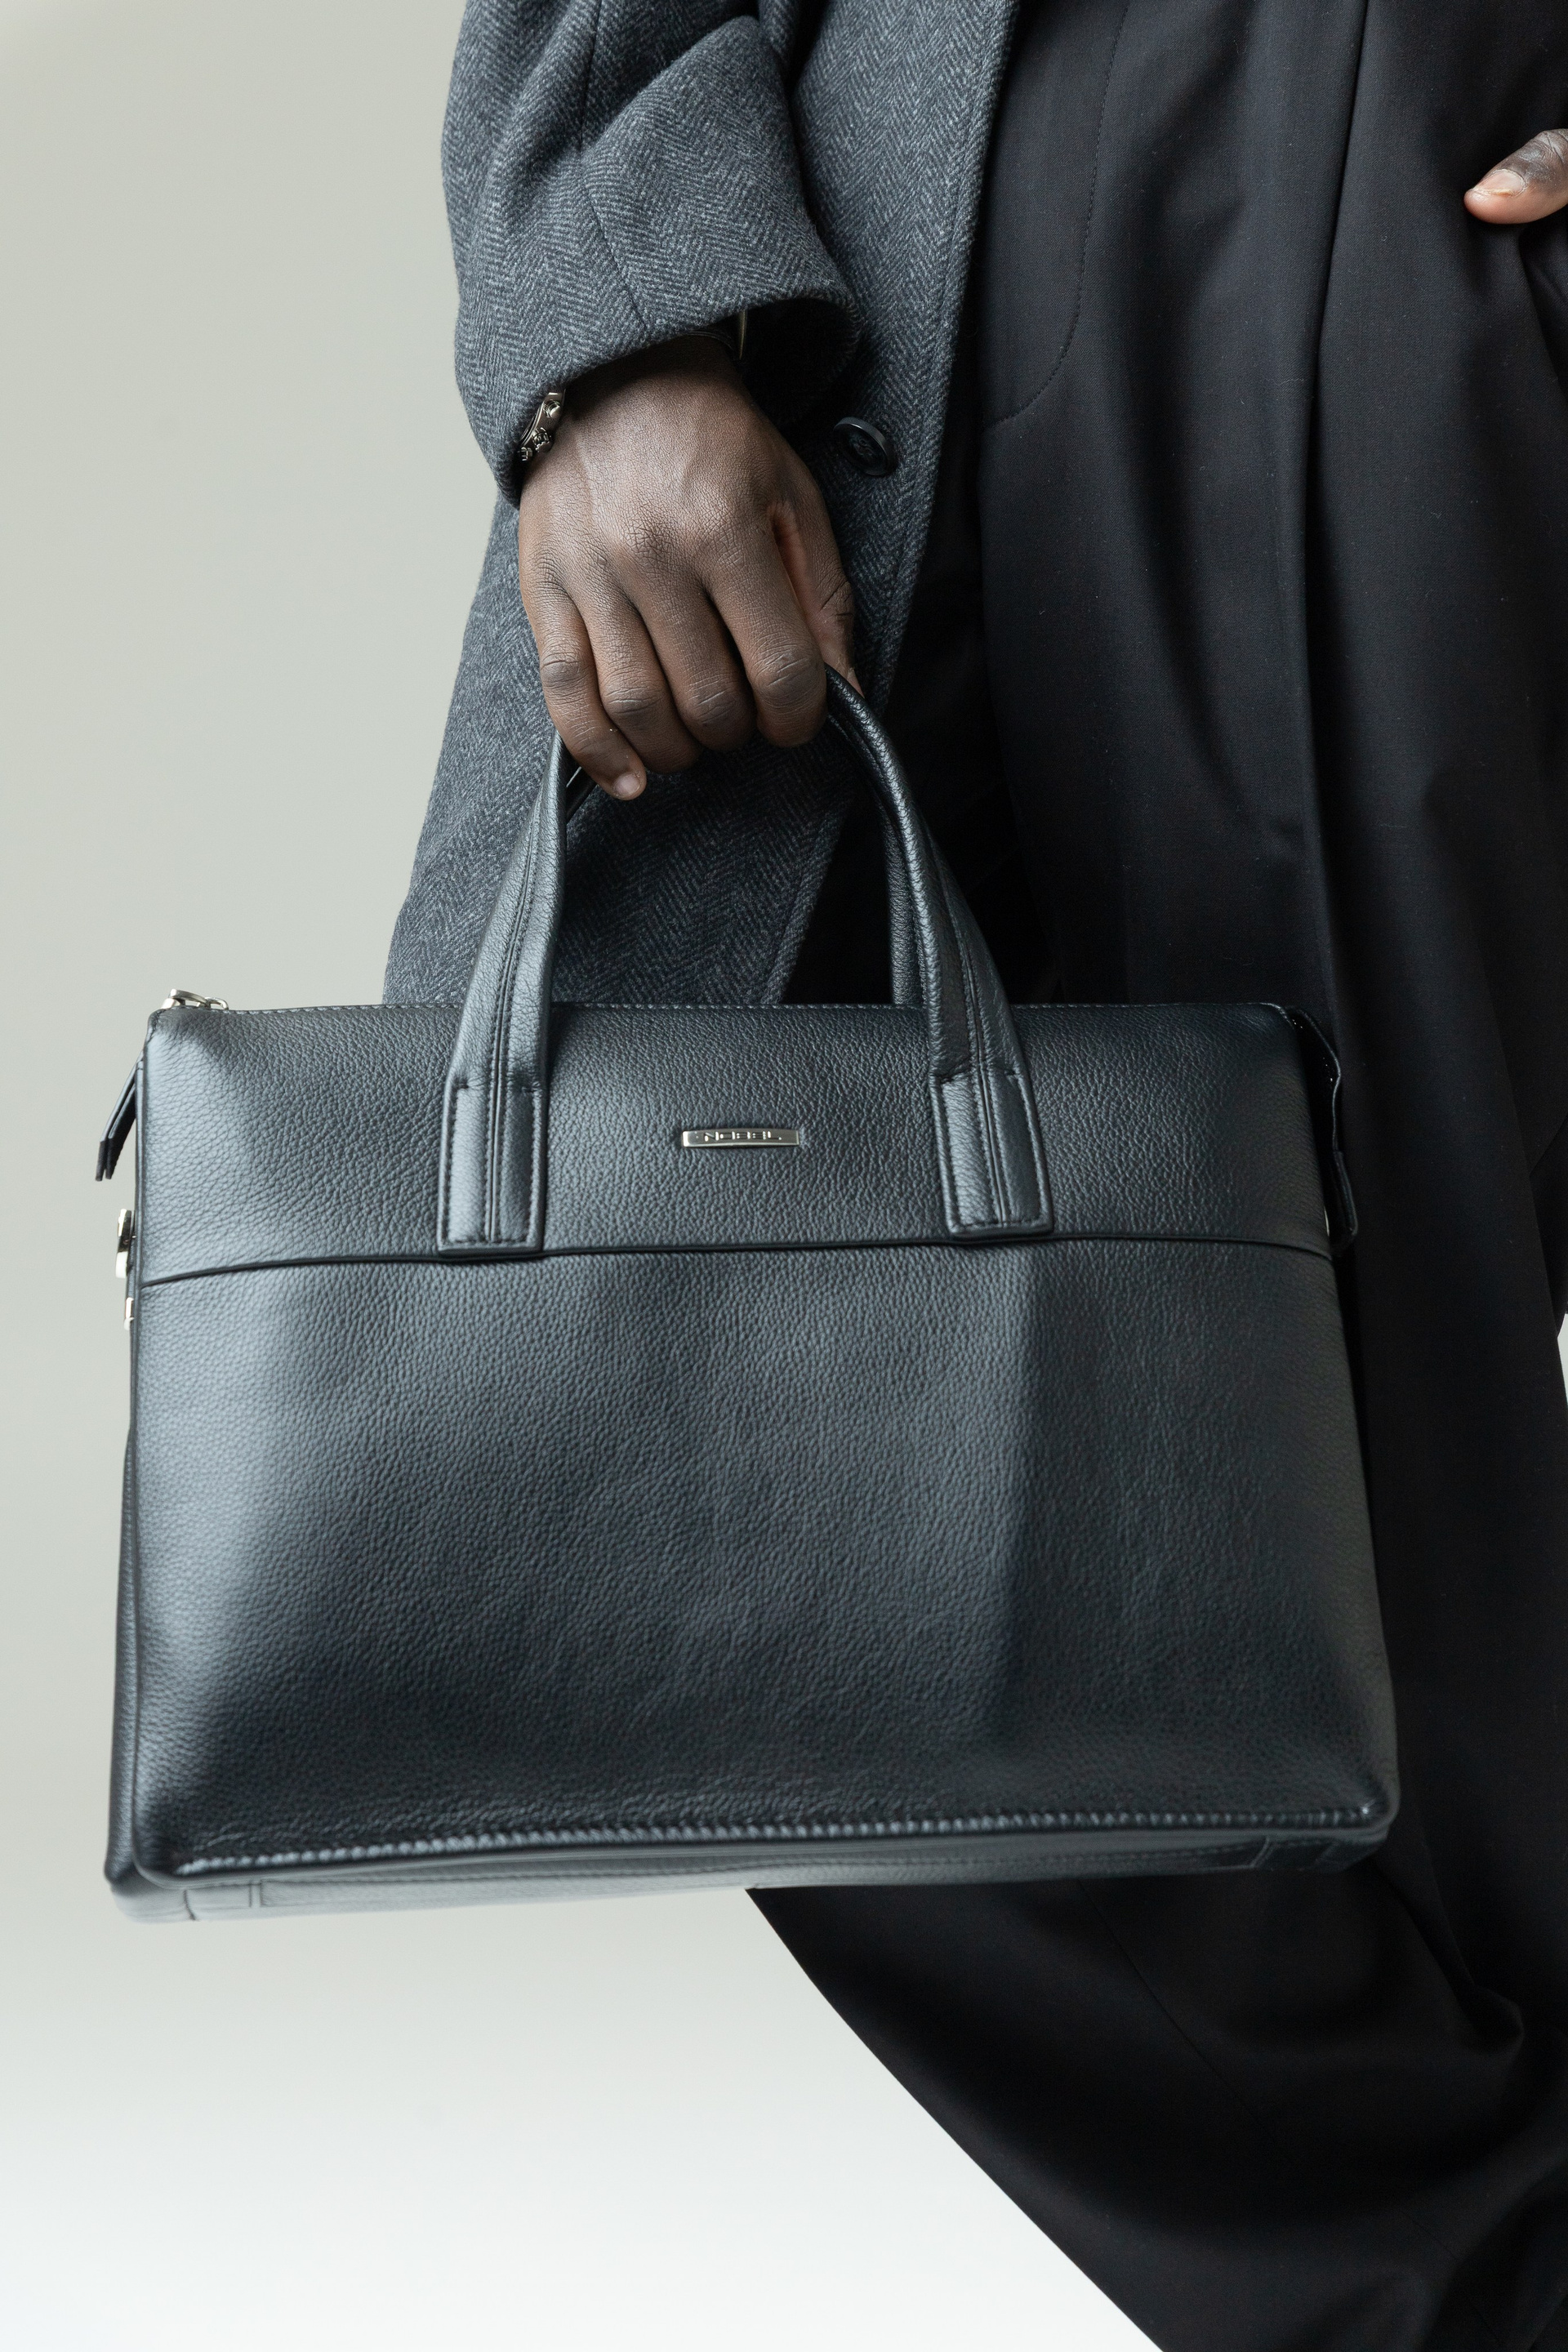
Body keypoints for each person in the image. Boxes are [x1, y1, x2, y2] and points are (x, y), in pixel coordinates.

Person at [385, 7, 1568, 2345]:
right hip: (860, 280)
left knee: (1393, 1491)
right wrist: (612, 314)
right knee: (649, 1437)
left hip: (1431, 214)